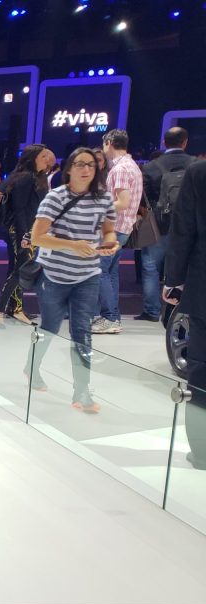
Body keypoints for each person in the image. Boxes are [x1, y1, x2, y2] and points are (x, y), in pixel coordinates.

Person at [27, 147, 118, 413]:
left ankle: (82, 391)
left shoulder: (104, 198)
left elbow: (109, 231)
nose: (86, 169)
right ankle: (32, 366)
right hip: (54, 274)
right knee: (50, 326)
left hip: (88, 274)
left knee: (82, 331)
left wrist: (110, 244)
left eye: (91, 164)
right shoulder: (55, 197)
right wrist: (72, 245)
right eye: (80, 164)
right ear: (69, 169)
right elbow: (37, 237)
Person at [163, 159, 206, 466]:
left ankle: (202, 452)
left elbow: (183, 230)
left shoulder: (199, 172)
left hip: (203, 290)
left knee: (202, 370)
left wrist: (173, 279)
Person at [0, 145, 56, 323]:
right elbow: (19, 208)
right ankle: (0, 309)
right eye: (43, 156)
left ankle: (15, 308)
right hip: (23, 230)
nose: (47, 160)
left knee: (19, 269)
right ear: (33, 158)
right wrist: (24, 234)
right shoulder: (26, 177)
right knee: (20, 269)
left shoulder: (36, 177)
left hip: (31, 230)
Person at [136, 127, 193, 321]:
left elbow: (143, 198)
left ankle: (152, 311)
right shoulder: (196, 164)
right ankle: (183, 309)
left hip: (159, 224)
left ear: (164, 142)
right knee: (187, 267)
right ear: (185, 142)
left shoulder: (151, 167)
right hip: (189, 225)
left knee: (150, 266)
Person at [92, 129, 143, 334]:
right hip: (122, 227)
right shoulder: (131, 166)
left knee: (100, 271)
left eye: (104, 144)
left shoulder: (120, 169)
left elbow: (122, 202)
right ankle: (113, 316)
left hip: (114, 228)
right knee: (110, 272)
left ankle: (110, 318)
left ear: (109, 143)